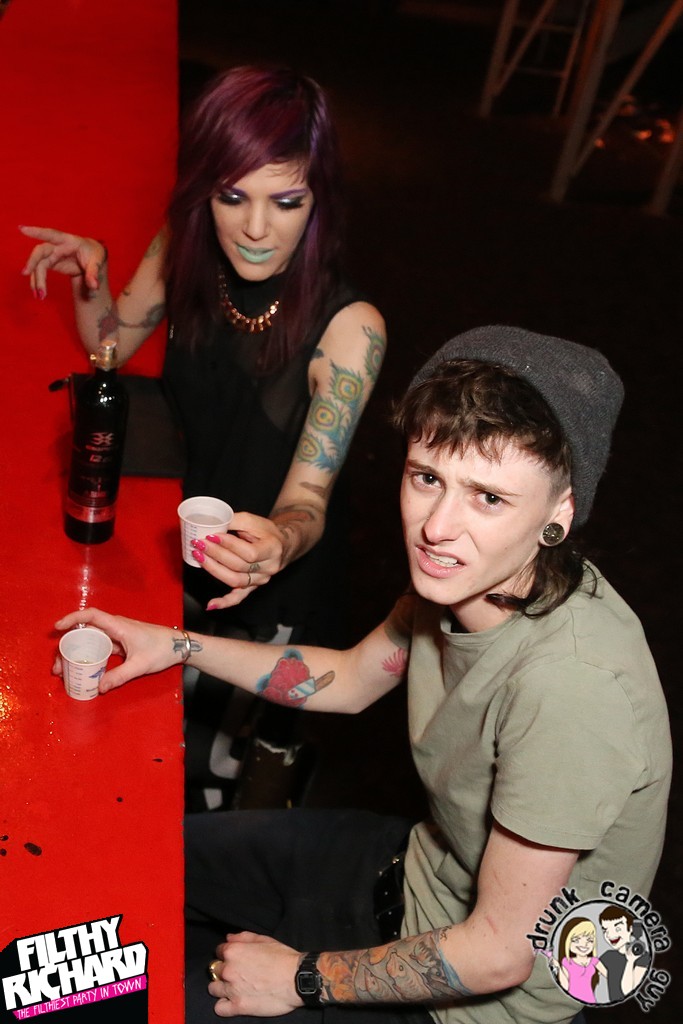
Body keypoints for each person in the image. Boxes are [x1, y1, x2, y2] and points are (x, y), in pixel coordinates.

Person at [54, 325, 671, 1024]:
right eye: (427, 478)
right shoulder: (471, 579)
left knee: (120, 1001)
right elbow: (348, 679)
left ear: (560, 512)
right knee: (135, 858)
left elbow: (499, 953)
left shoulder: (573, 689)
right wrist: (178, 645)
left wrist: (299, 979)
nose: (436, 528)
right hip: (411, 873)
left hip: (471, 1002)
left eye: (489, 498)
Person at [23, 65, 386, 809]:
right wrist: (92, 277)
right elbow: (109, 346)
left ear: (319, 200)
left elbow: (308, 500)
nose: (255, 229)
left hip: (267, 573)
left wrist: (278, 542)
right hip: (185, 533)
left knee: (218, 757)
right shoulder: (183, 251)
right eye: (232, 197)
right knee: (150, 723)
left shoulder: (350, 331)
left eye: (286, 202)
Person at [598, 906, 650, 1002]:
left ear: (630, 928)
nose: (610, 935)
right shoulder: (608, 956)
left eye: (617, 929)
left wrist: (630, 961)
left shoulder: (642, 957)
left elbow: (627, 991)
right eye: (605, 930)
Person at [550, 918, 606, 1004]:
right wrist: (558, 967)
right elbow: (565, 986)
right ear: (567, 941)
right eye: (576, 940)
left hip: (590, 1001)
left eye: (590, 940)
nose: (584, 944)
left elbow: (611, 976)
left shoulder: (594, 961)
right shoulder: (567, 962)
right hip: (571, 1002)